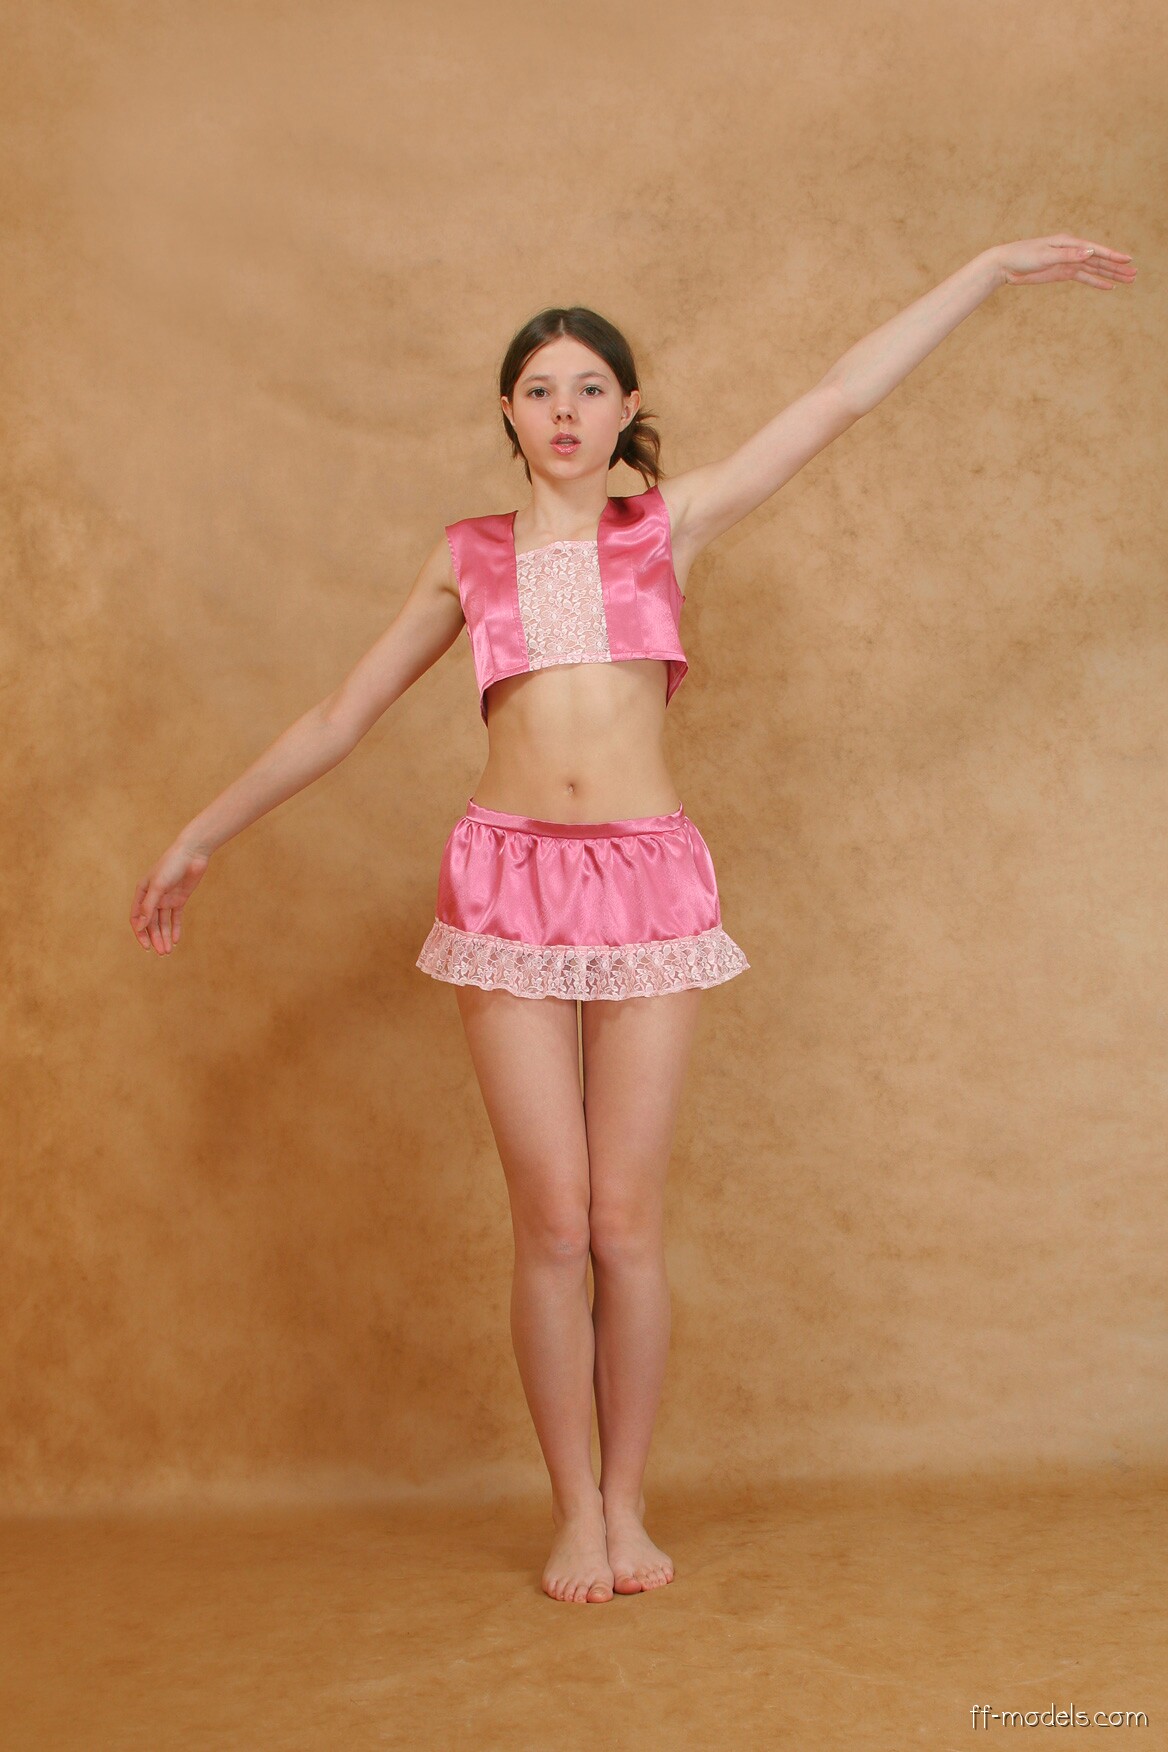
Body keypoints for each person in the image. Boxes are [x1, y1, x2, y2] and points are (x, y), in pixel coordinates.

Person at [130, 235, 1135, 1605]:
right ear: (508, 411)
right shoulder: (468, 559)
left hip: (649, 882)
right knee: (551, 1222)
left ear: (625, 409)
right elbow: (337, 716)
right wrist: (199, 835)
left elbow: (839, 398)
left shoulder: (668, 526)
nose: (565, 410)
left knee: (625, 1221)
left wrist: (989, 269)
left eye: (589, 387)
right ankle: (571, 1512)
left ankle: (625, 1500)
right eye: (540, 389)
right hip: (506, 886)